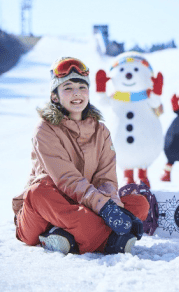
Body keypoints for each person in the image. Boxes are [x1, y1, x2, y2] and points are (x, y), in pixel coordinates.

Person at [12, 57, 149, 255]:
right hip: (44, 214)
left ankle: (67, 237)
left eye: (82, 87)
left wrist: (115, 209)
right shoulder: (45, 129)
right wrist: (104, 210)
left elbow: (106, 179)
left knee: (138, 204)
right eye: (67, 87)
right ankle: (107, 240)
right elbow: (67, 179)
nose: (76, 93)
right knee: (38, 192)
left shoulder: (101, 131)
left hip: (83, 207)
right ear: (55, 97)